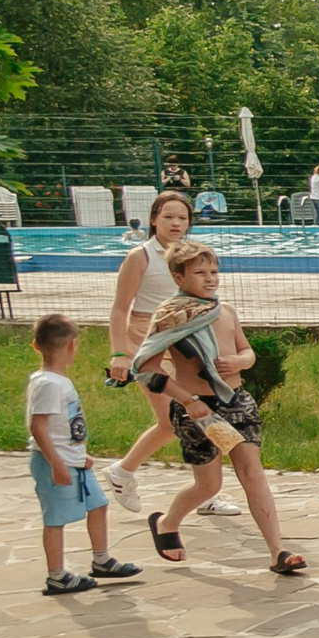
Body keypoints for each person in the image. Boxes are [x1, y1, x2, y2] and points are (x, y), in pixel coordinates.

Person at [130, 241, 304, 576]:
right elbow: (148, 368)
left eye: (214, 272)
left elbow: (248, 353)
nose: (210, 279)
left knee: (253, 473)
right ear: (178, 277)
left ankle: (277, 552)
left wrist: (238, 361)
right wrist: (188, 401)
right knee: (209, 487)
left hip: (236, 402)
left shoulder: (225, 312)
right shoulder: (171, 316)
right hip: (199, 410)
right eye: (199, 273)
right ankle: (167, 523)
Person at [103, 191, 239, 520]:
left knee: (204, 415)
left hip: (187, 343)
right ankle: (122, 472)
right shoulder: (141, 256)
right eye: (168, 217)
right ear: (154, 220)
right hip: (148, 340)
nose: (176, 223)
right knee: (169, 421)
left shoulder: (192, 257)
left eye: (182, 217)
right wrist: (119, 354)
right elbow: (120, 308)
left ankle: (206, 492)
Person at [24, 314, 140, 596]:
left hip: (73, 460)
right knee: (55, 518)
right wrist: (57, 463)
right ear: (73, 345)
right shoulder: (48, 384)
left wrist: (78, 455)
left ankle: (101, 559)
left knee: (98, 505)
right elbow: (38, 427)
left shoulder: (56, 381)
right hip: (55, 463)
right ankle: (57, 575)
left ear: (35, 346)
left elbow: (62, 425)